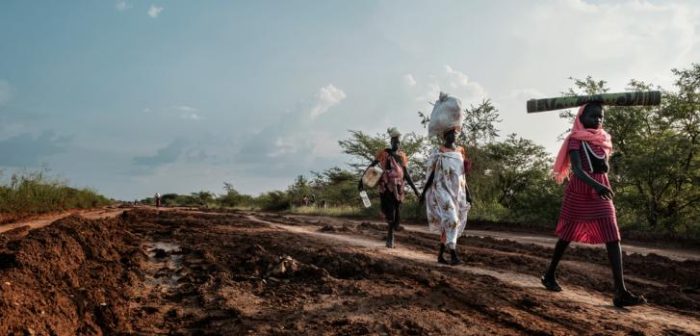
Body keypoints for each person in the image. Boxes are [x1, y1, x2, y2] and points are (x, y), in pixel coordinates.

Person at [542, 102, 646, 308]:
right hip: (580, 191)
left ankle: (620, 291)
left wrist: (601, 186)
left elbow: (602, 167)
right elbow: (578, 170)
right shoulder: (575, 140)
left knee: (612, 236)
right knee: (566, 236)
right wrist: (596, 186)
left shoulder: (603, 139)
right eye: (593, 116)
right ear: (581, 118)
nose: (598, 120)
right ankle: (549, 274)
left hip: (600, 191)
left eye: (601, 116)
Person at [358, 127, 420, 248]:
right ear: (391, 142)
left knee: (397, 214)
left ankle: (394, 227)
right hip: (386, 187)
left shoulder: (402, 156)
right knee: (391, 213)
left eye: (398, 142)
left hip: (399, 188)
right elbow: (372, 165)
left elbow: (406, 174)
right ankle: (390, 238)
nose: (397, 143)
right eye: (394, 141)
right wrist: (362, 180)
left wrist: (416, 190)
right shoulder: (385, 153)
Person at [420, 126, 472, 265]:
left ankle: (440, 256)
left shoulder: (460, 152)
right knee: (452, 220)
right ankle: (454, 255)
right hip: (441, 190)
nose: (453, 136)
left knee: (447, 224)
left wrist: (468, 193)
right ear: (445, 136)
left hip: (457, 192)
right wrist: (424, 192)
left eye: (454, 134)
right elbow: (431, 174)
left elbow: (462, 177)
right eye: (450, 134)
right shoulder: (438, 152)